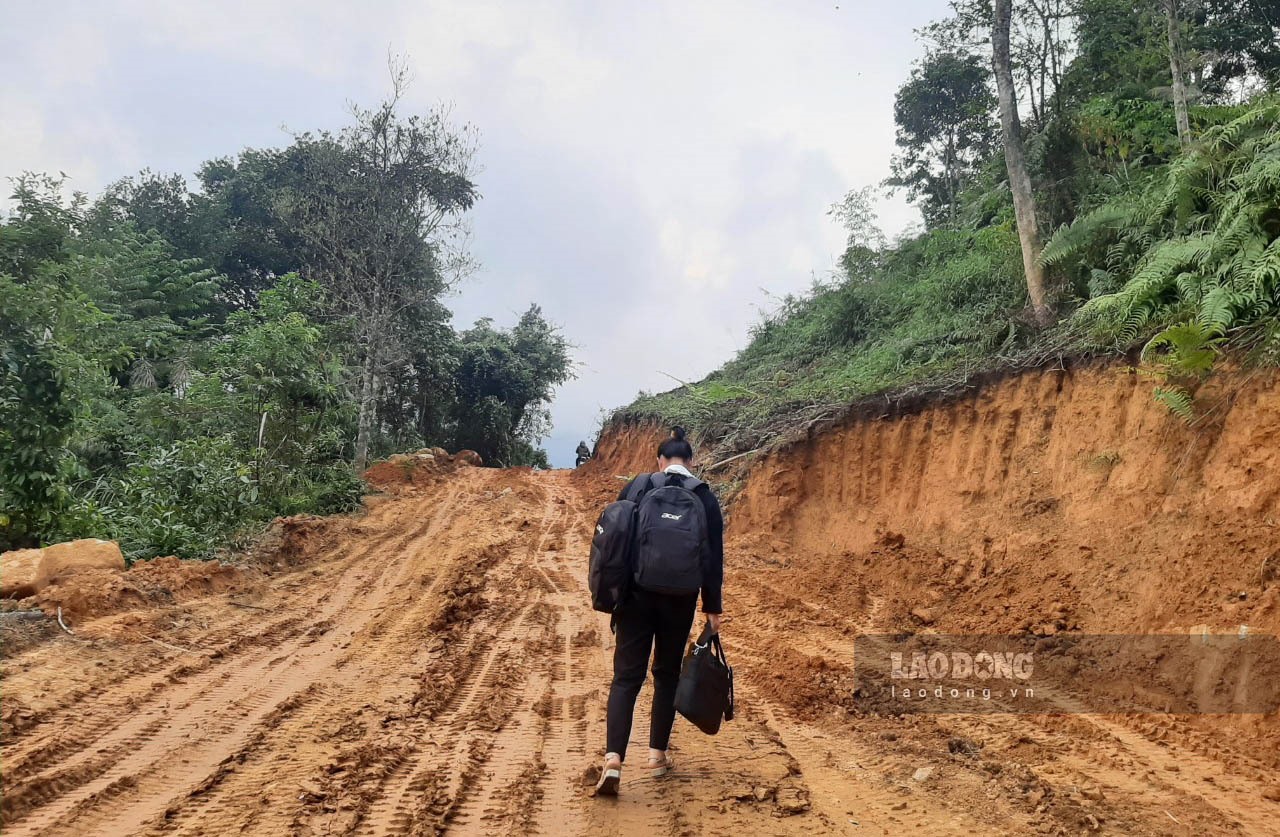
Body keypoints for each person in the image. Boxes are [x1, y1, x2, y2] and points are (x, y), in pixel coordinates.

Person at [595, 427, 724, 796]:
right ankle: (656, 756)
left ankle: (614, 760)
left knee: (626, 679)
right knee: (666, 675)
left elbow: (613, 539)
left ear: (660, 460)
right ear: (692, 462)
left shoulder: (638, 486)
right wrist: (712, 606)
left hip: (636, 597)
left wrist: (610, 593)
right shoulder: (704, 496)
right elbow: (713, 559)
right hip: (679, 599)